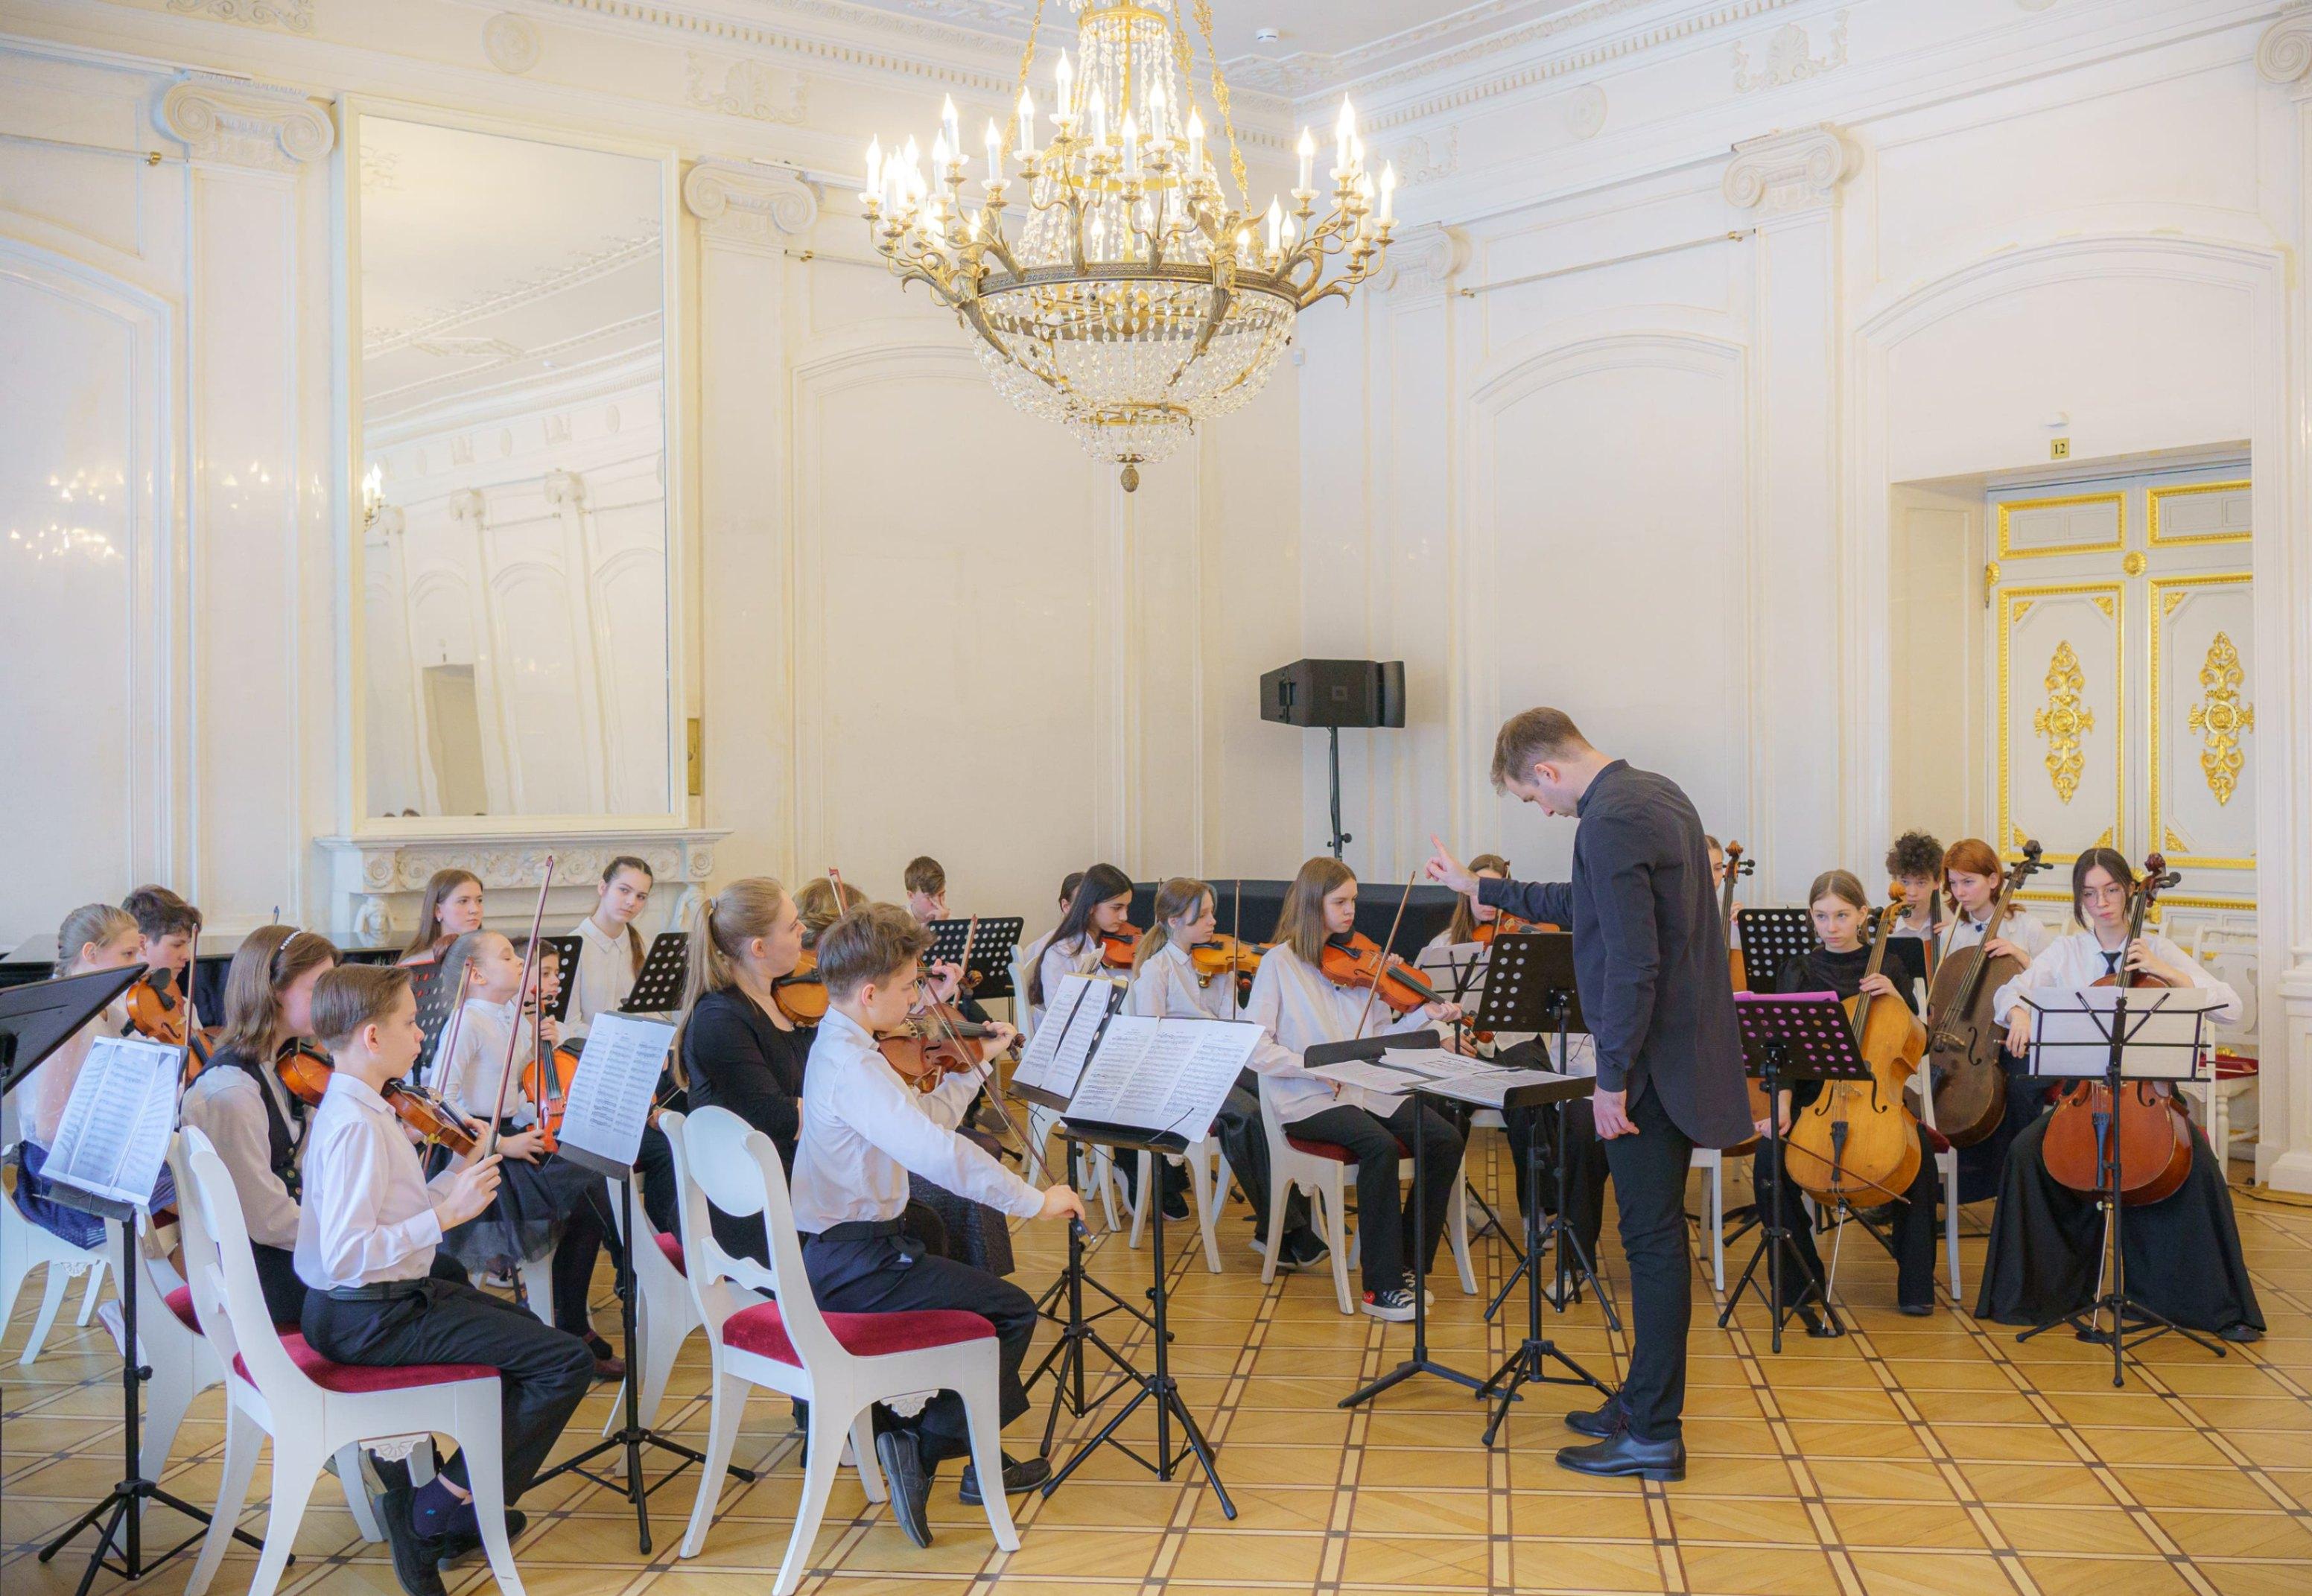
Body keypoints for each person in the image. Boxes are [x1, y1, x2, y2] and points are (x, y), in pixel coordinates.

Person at [1427, 706, 1751, 1481]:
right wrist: (1484, 888)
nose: (1541, 809)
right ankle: (1639, 1405)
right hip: (1679, 1056)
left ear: (1545, 770)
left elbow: (1633, 962)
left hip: (1650, 1068)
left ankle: (1652, 1433)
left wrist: (1609, 1079)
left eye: (1530, 797)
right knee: (1654, 1241)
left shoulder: (1604, 820)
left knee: (1650, 1246)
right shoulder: (1656, 793)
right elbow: (1587, 909)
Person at [790, 904, 1085, 1547]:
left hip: (844, 1248)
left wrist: (978, 1067)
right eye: (906, 985)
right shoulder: (857, 1068)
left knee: (958, 1260)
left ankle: (971, 1452)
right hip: (852, 1264)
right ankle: (924, 1444)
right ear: (870, 993)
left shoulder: (843, 1046)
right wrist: (1035, 1199)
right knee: (1011, 1311)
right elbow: (939, 1155)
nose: (917, 995)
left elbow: (924, 1119)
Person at [295, 964, 593, 1596]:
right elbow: (349, 1254)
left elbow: (392, 1216)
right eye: (410, 1022)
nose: (421, 1036)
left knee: (532, 1336)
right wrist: (446, 1213)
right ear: (372, 1037)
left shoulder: (365, 1106)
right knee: (565, 1362)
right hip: (367, 1314)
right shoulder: (355, 1125)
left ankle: (461, 1492)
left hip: (373, 1300)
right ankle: (430, 1512)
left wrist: (453, 1182)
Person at [1975, 848, 2263, 1341]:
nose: (2101, 902)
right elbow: (2012, 992)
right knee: (2027, 1153)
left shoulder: (2160, 949)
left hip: (2148, 1103)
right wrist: (2019, 1012)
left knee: (2199, 1166)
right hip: (2085, 1102)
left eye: (2110, 889)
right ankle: (2039, 1293)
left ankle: (2203, 1302)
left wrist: (2169, 973)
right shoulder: (2067, 952)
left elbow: (2231, 1008)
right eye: (2089, 893)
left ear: (2132, 890)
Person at [1242, 857, 1464, 1321]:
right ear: (1311, 904)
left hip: (1366, 1088)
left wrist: (1428, 1015)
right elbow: (1253, 1047)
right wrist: (1309, 1067)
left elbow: (1382, 1034)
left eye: (1354, 902)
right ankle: (1378, 1290)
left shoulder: (1363, 961)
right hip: (1305, 1097)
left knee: (1445, 1139)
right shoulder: (1279, 964)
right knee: (1379, 1147)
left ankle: (1406, 1264)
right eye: (1339, 902)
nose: (1351, 912)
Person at [429, 930, 623, 1377]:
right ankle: (585, 1311)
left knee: (589, 1172)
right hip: (476, 1154)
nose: (520, 963)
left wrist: (542, 1046)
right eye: (506, 957)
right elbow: (440, 1100)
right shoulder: (468, 1022)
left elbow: (518, 1088)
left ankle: (574, 1320)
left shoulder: (508, 1017)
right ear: (476, 975)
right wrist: (503, 1143)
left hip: (511, 1136)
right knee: (586, 1181)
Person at [1761, 871, 1940, 1321]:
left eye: (1842, 915)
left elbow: (1919, 1041)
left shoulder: (1889, 967)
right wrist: (1781, 1105)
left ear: (1863, 914)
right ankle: (1801, 1279)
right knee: (1769, 1165)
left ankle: (1915, 1286)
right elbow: (1779, 1050)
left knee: (1919, 1162)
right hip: (1811, 1099)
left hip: (1879, 1097)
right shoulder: (1797, 970)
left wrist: (1896, 998)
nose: (1832, 926)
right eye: (1821, 917)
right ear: (1811, 918)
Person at [178, 926, 340, 1326]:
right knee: (427, 1279)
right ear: (271, 993)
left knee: (435, 1273)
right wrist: (351, 1242)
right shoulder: (232, 1091)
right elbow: (266, 1219)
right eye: (318, 987)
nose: (331, 1001)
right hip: (267, 1274)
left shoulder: (282, 1065)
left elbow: (302, 1165)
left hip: (290, 1253)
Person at [675, 880, 815, 1262]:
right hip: (755, 1200)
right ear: (758, 948)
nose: (804, 931)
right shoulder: (719, 1020)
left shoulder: (782, 997)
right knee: (916, 1217)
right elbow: (776, 1117)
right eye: (792, 926)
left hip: (799, 1171)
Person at [11, 904, 150, 1252]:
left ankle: (162, 1294)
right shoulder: (68, 1018)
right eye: (128, 953)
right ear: (91, 953)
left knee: (190, 1184)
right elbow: (48, 1128)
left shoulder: (111, 1007)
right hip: (58, 1175)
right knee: (188, 1192)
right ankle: (147, 1298)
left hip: (93, 1159)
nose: (140, 963)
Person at [1936, 838, 2057, 1201]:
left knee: (2016, 1087)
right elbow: (1947, 993)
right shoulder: (1953, 931)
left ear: (1993, 880)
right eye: (1954, 884)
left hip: (2022, 1034)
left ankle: (2018, 1187)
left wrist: (2021, 957)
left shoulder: (2028, 927)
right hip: (1969, 1035)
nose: (1960, 892)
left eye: (1968, 882)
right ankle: (1945, 1189)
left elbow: (2058, 987)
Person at [1029, 863, 1134, 1017]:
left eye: (1127, 908)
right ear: (1091, 906)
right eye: (1116, 908)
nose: (1124, 917)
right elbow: (1060, 1018)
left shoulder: (1099, 943)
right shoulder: (1061, 953)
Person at [566, 855, 652, 1038]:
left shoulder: (647, 946)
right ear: (602, 888)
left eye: (641, 896)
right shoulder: (573, 948)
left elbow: (651, 1014)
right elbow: (569, 1024)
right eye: (624, 890)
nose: (632, 902)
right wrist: (617, 1044)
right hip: (585, 1056)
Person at [122, 883, 205, 1030]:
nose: (187, 956)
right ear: (141, 944)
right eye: (177, 945)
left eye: (188, 944)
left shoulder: (184, 1007)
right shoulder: (115, 1011)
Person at [401, 869, 484, 967]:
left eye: (479, 900)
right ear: (438, 911)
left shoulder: (493, 956)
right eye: (463, 901)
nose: (475, 910)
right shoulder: (414, 967)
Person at [902, 856, 948, 927]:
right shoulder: (897, 924)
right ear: (911, 896)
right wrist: (938, 926)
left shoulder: (946, 918)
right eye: (929, 897)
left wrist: (944, 925)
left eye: (941, 895)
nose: (937, 903)